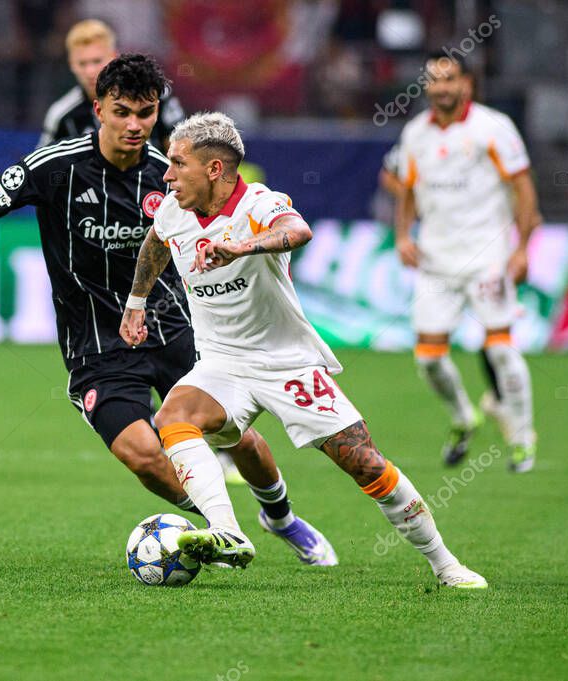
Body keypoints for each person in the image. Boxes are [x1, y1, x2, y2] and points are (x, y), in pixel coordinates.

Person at [0, 54, 336, 567]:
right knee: (143, 456)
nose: (134, 125)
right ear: (99, 110)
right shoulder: (52, 167)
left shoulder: (169, 174)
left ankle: (281, 518)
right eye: (122, 112)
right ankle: (219, 529)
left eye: (145, 113)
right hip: (95, 344)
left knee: (238, 439)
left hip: (174, 327)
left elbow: (224, 222)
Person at [119, 111, 486, 588]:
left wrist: (241, 248)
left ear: (214, 169)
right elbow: (156, 242)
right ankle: (227, 531)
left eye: (177, 163)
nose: (167, 175)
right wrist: (136, 303)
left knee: (365, 462)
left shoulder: (259, 203)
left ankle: (445, 564)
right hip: (222, 363)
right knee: (173, 416)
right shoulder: (174, 209)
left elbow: (297, 230)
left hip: (285, 363)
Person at [394, 51, 540, 473]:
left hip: (487, 258)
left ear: (466, 84)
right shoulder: (415, 133)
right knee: (428, 358)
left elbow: (523, 188)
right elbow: (407, 190)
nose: (441, 87)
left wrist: (522, 247)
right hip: (435, 260)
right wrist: (402, 235)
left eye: (450, 79)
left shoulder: (493, 127)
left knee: (501, 350)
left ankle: (523, 437)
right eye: (434, 79)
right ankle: (463, 416)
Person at [378, 143, 507, 432]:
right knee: (430, 351)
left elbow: (518, 179)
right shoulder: (419, 140)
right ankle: (465, 414)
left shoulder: (485, 138)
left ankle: (500, 399)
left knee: (495, 328)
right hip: (439, 253)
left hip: (484, 247)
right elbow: (388, 175)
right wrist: (416, 201)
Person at [38, 20, 185, 150]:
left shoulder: (155, 94)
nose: (90, 71)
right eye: (82, 63)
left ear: (113, 57)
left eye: (97, 61)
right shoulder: (61, 115)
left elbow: (181, 151)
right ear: (71, 64)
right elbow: (43, 166)